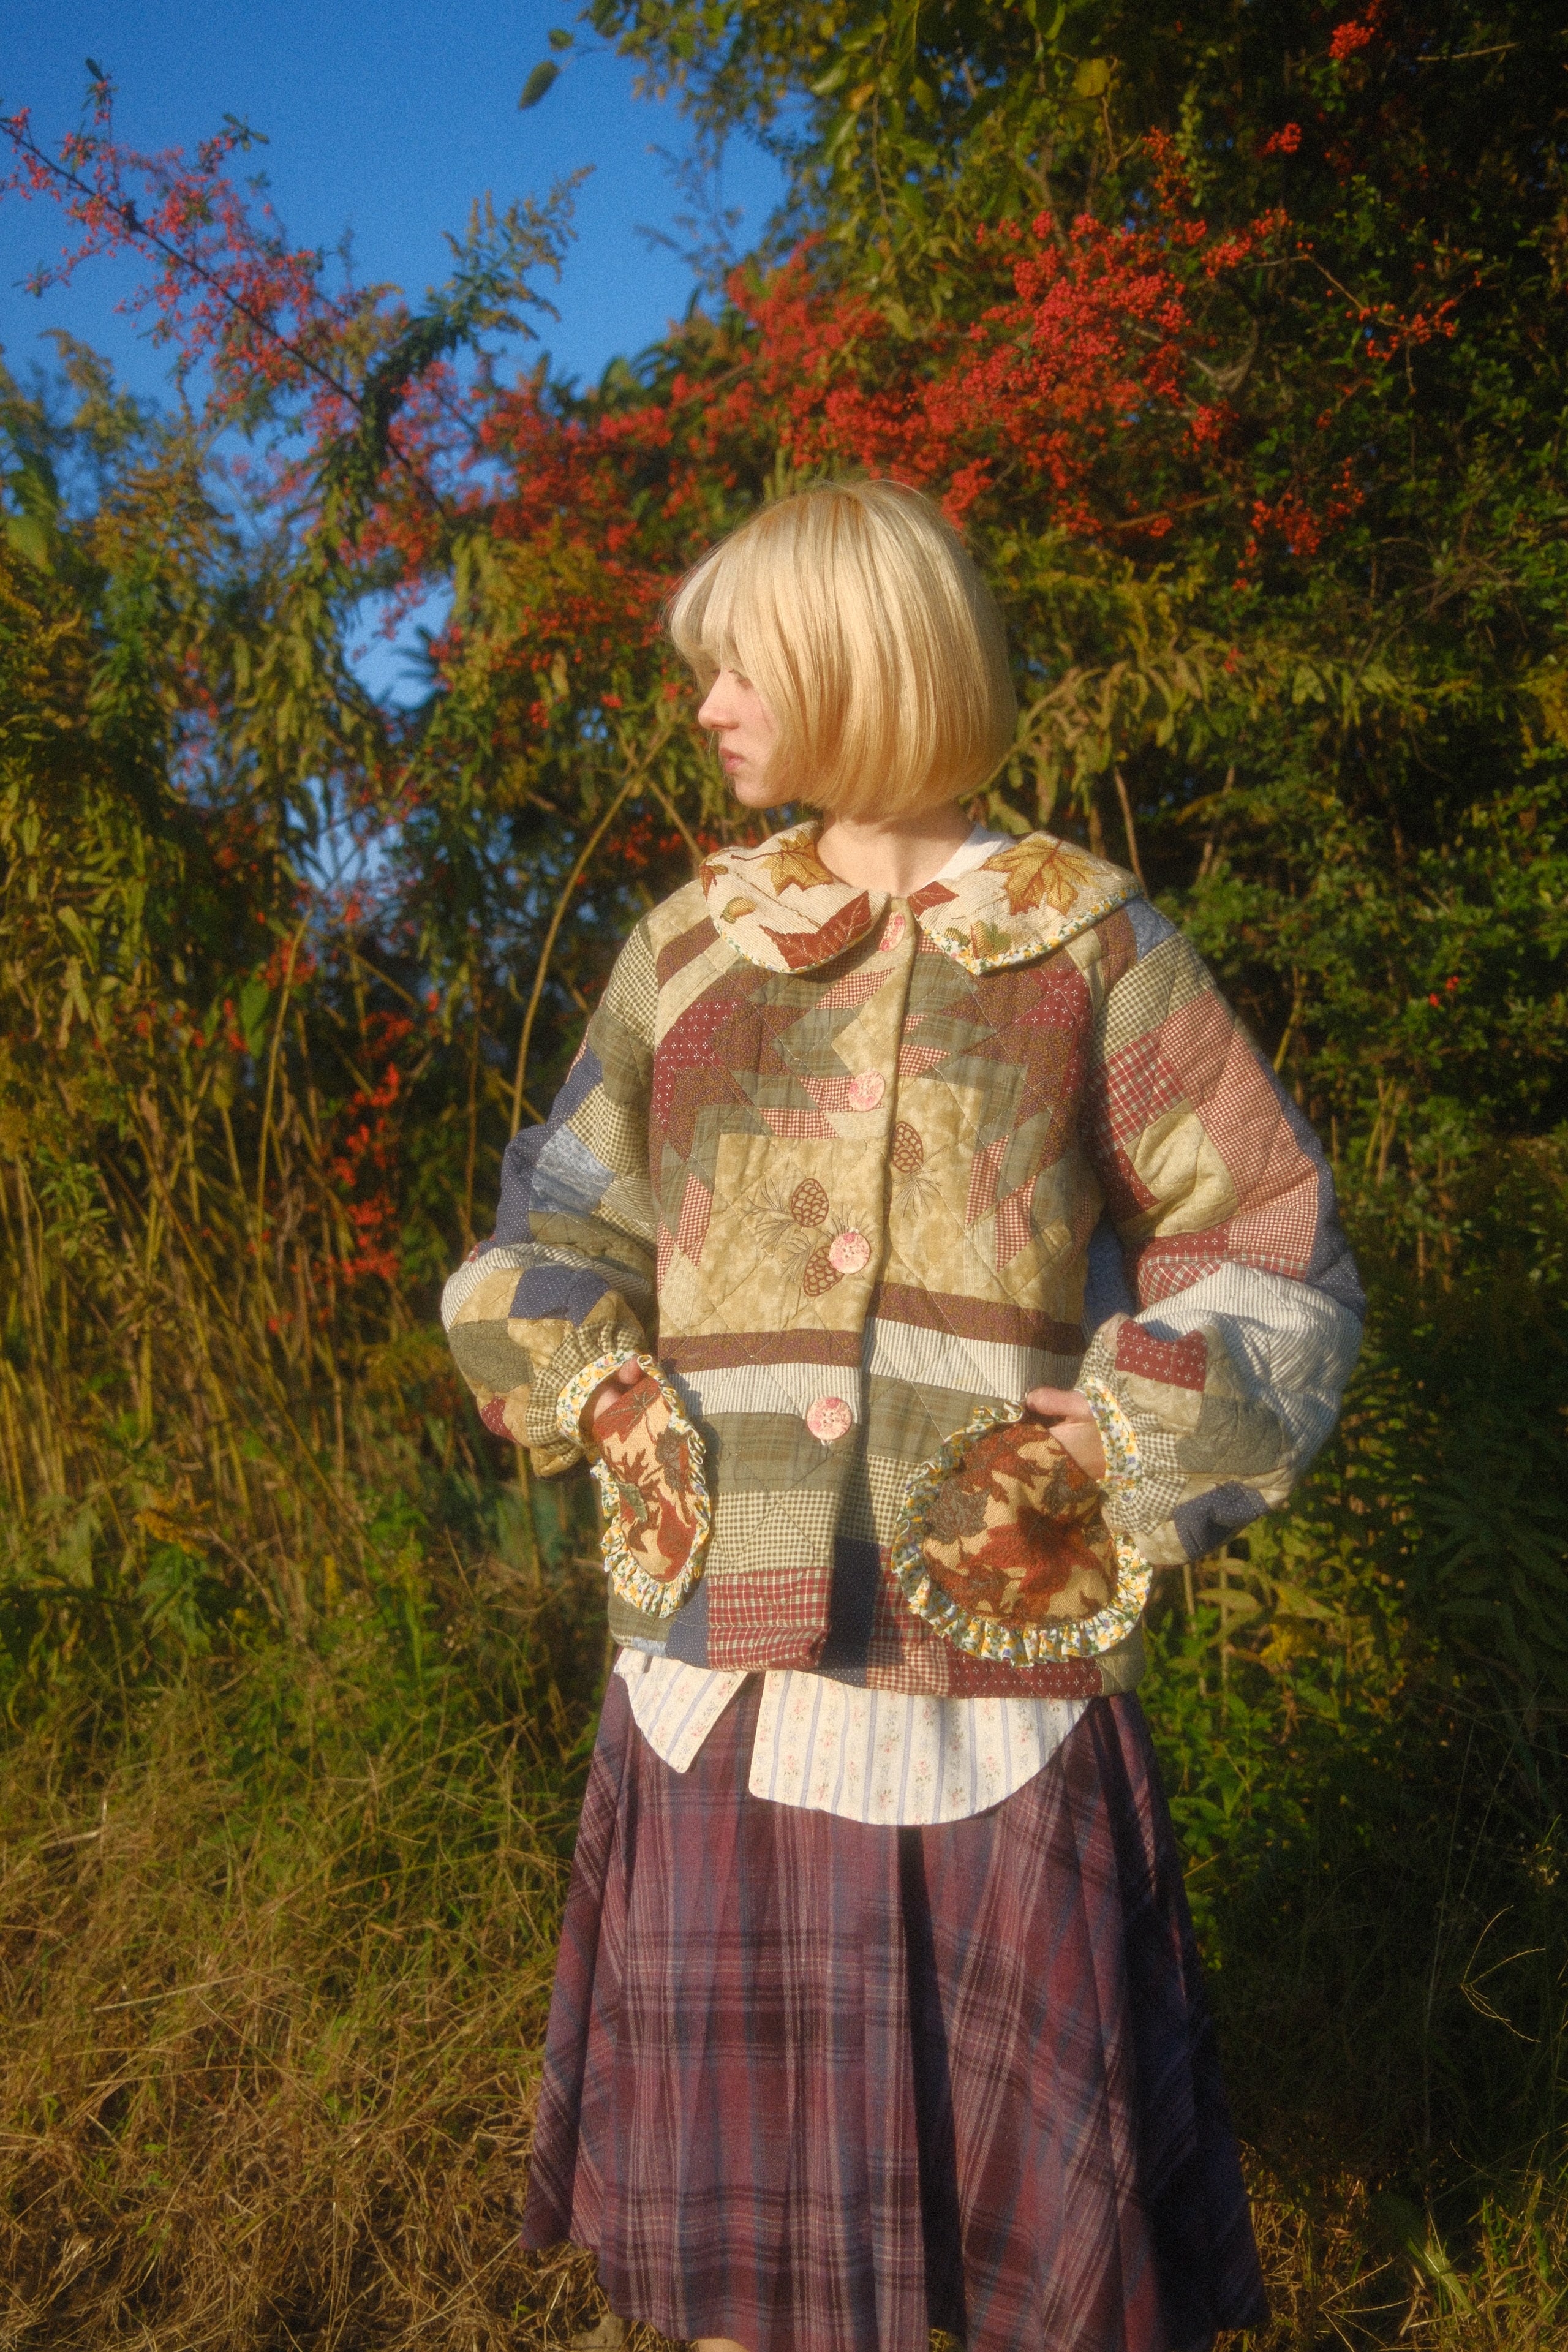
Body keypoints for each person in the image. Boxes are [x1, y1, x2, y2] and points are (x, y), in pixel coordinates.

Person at [442, 480, 1364, 2352]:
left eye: (739, 666)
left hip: (988, 1701)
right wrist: (593, 1378)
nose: (708, 705)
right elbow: (556, 1230)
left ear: (863, 664)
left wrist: (1118, 1437)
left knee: (1026, 2276)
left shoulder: (1089, 952)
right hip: (720, 1689)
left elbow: (1269, 1247)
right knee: (735, 2286)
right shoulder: (690, 954)